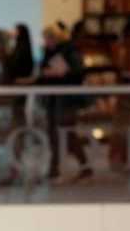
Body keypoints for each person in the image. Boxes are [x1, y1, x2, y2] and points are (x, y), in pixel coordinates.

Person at [33, 23, 92, 184]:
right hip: (54, 100)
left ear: (56, 38)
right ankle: (54, 171)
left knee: (67, 135)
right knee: (54, 135)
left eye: (49, 38)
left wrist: (61, 73)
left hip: (66, 101)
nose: (47, 42)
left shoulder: (69, 51)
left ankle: (85, 169)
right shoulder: (49, 52)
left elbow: (77, 73)